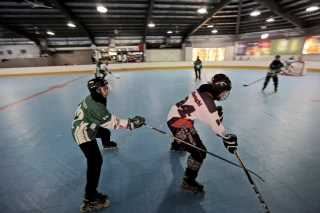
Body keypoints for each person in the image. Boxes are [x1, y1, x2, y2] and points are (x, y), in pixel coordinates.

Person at [71, 77, 145, 211]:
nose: (107, 91)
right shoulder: (97, 107)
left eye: (106, 88)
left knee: (104, 133)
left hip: (89, 125)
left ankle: (106, 143)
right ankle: (90, 194)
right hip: (83, 133)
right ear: (97, 90)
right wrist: (132, 123)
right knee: (95, 161)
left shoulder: (95, 98)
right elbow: (114, 123)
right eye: (104, 89)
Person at [166, 73, 238, 195]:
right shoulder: (209, 106)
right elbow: (217, 128)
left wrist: (215, 113)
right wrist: (228, 138)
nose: (224, 94)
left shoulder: (203, 89)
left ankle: (177, 145)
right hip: (179, 123)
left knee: (188, 135)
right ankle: (188, 181)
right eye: (224, 91)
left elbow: (201, 108)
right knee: (199, 152)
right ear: (219, 88)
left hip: (175, 113)